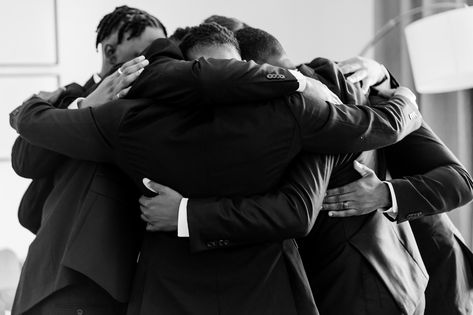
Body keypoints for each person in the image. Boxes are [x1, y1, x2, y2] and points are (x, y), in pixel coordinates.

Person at [10, 23, 421, 315]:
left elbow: (36, 124)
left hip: (166, 296)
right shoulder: (295, 111)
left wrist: (34, 106)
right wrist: (400, 93)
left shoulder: (130, 121)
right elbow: (383, 125)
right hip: (266, 295)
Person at [140, 26, 473, 315]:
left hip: (384, 283)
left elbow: (458, 181)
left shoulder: (340, 93)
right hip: (340, 284)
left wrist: (384, 193)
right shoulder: (263, 118)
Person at [11, 6, 168, 315]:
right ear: (111, 51)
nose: (156, 63)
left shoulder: (159, 104)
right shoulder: (65, 97)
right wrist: (86, 105)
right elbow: (23, 160)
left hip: (124, 284)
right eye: (145, 54)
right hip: (59, 278)